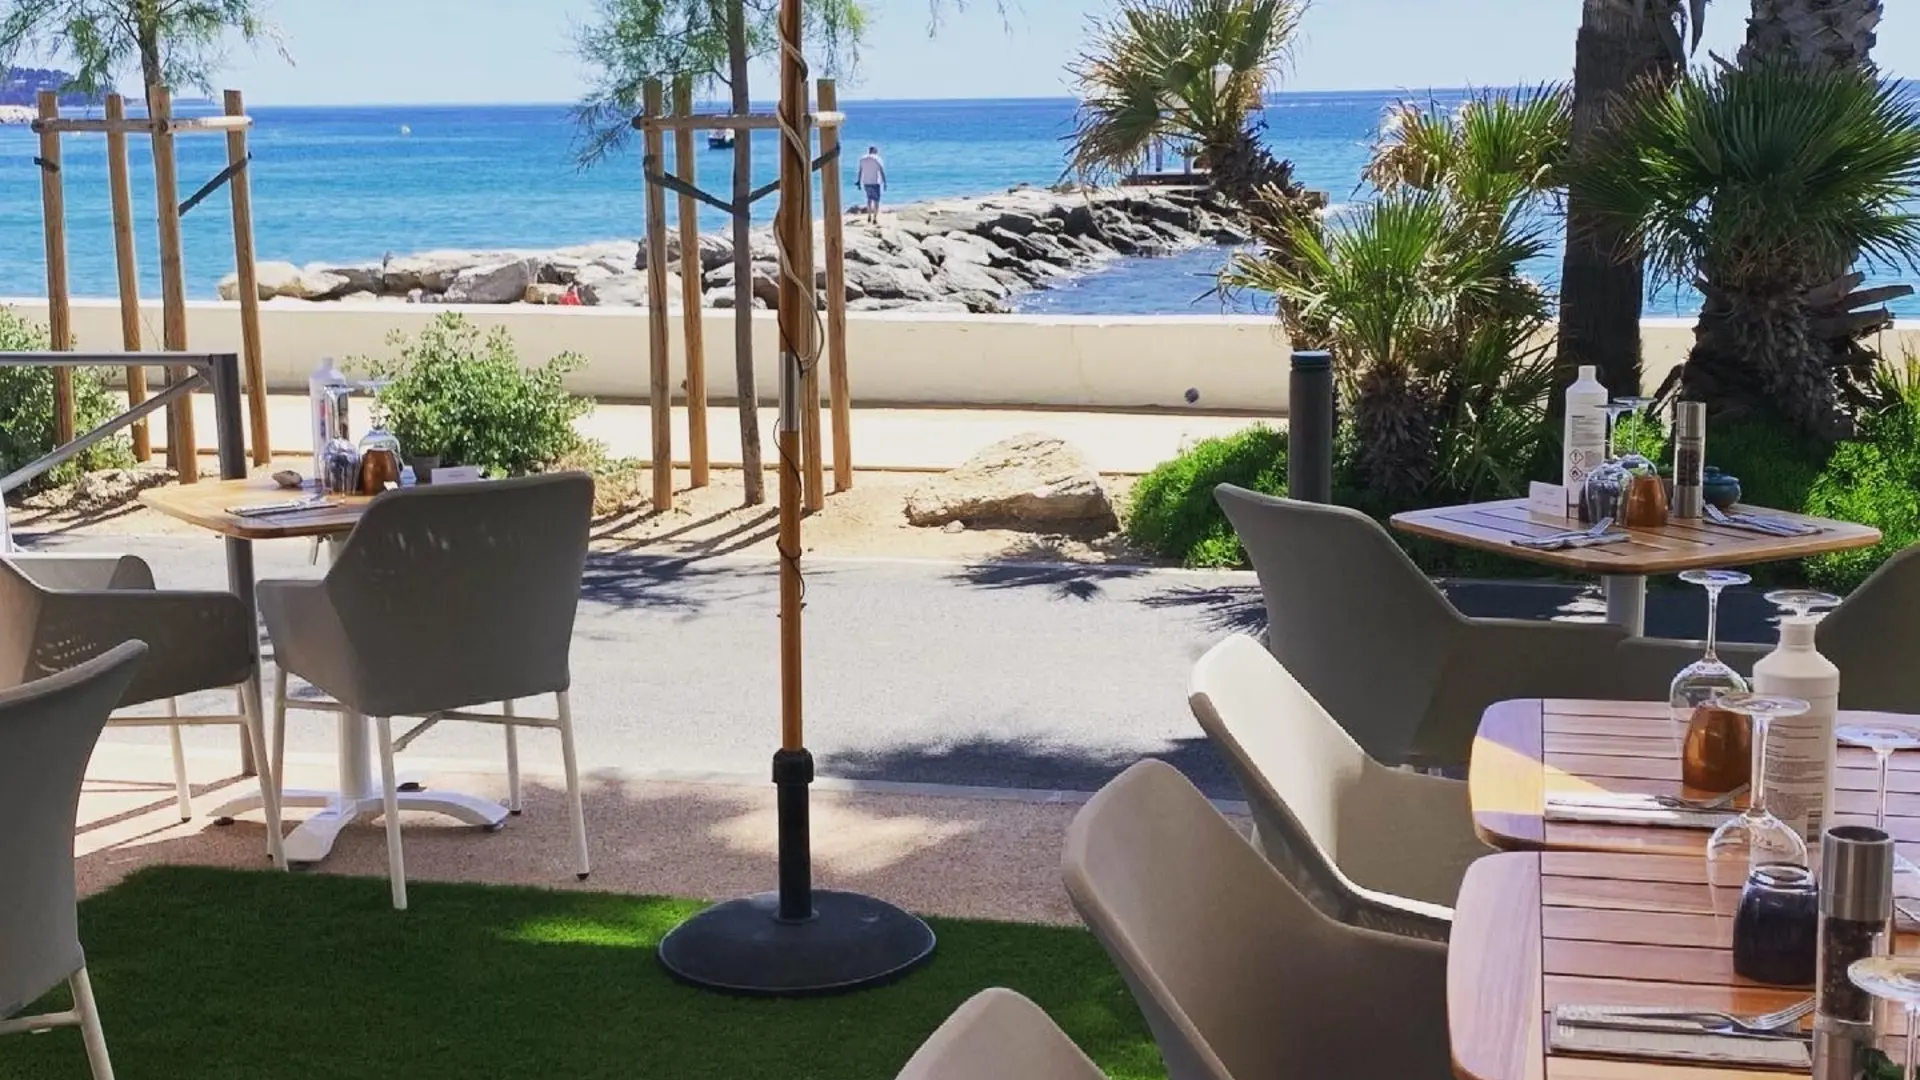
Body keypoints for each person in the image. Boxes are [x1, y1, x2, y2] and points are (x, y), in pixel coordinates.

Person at [856, 145, 887, 225]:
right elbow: (881, 171)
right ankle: (875, 218)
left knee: (869, 199)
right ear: (875, 151)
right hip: (875, 182)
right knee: (876, 201)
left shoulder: (862, 159)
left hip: (866, 182)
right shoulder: (877, 158)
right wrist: (885, 182)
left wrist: (858, 182)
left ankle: (869, 215)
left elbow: (860, 171)